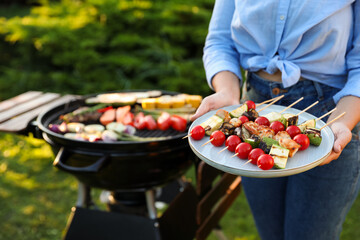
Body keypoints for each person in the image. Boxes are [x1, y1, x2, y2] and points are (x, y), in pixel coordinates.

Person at [191, 1, 360, 240]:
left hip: (331, 112)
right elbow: (220, 41)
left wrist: (342, 122)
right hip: (255, 109)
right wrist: (227, 92)